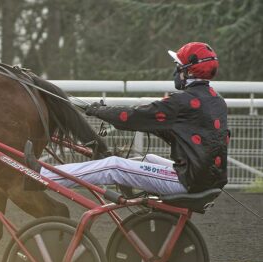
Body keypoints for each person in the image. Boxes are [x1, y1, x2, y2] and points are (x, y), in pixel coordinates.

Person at [28, 42, 228, 195]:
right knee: (146, 159)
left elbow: (130, 116)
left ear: (188, 70)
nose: (176, 71)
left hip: (188, 181)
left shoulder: (182, 101)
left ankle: (42, 176)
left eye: (178, 66)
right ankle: (128, 185)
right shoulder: (216, 101)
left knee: (114, 165)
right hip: (208, 180)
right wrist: (148, 125)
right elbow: (185, 133)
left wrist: (99, 110)